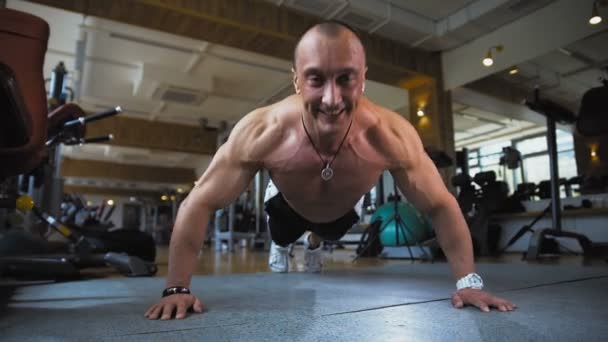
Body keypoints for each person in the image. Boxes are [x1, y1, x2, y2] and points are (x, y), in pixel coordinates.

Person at [145, 21, 516, 320]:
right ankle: (286, 236)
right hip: (288, 209)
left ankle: (315, 244)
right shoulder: (263, 131)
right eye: (316, 79)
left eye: (345, 79)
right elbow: (199, 202)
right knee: (283, 230)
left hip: (340, 214)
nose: (332, 99)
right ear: (295, 80)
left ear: (363, 78)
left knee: (327, 230)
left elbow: (440, 204)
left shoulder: (390, 135)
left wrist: (468, 282)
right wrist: (177, 288)